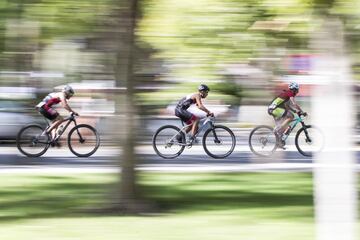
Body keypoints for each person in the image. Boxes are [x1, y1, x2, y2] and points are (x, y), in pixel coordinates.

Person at [268, 82, 307, 147]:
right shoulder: (290, 93)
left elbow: (287, 106)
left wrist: (295, 111)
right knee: (291, 116)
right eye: (297, 90)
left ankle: (279, 142)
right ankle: (278, 129)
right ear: (293, 89)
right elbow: (294, 104)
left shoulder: (286, 95)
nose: (297, 92)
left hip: (273, 109)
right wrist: (302, 111)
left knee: (286, 125)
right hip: (274, 109)